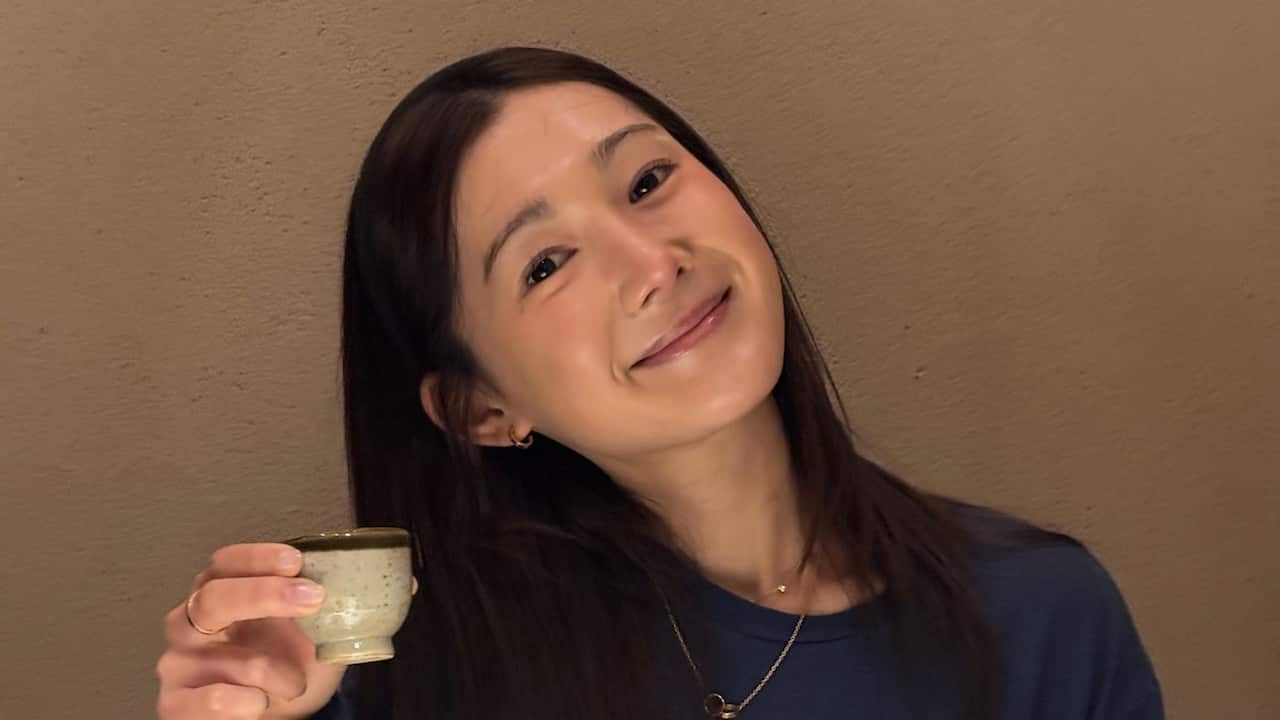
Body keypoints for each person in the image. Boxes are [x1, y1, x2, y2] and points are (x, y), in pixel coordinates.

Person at [154, 46, 1164, 720]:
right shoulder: (402, 683)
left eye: (646, 182)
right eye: (545, 264)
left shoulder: (1043, 614)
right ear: (479, 409)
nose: (651, 260)